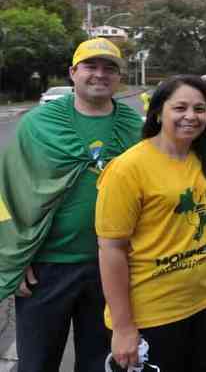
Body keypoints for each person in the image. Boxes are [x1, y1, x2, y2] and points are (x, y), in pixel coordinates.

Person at [95, 75, 206, 372]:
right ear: (159, 112)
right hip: (155, 314)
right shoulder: (126, 169)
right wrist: (123, 328)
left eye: (200, 109)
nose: (191, 116)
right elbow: (111, 249)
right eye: (180, 108)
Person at [0, 38, 141, 372]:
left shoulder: (136, 128)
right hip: (47, 266)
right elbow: (7, 191)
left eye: (109, 68)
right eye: (91, 66)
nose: (100, 75)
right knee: (36, 362)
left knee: (102, 363)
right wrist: (13, 259)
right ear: (72, 73)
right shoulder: (39, 124)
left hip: (114, 266)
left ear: (119, 77)